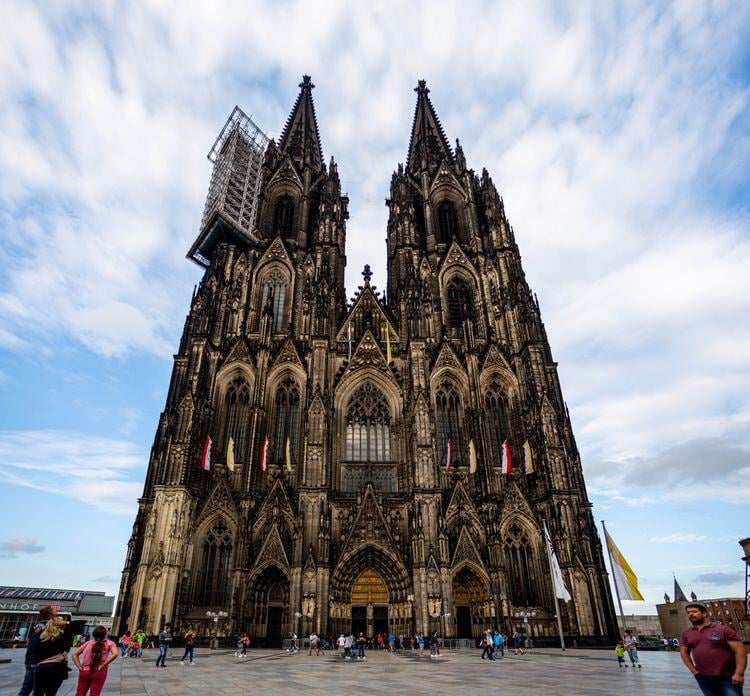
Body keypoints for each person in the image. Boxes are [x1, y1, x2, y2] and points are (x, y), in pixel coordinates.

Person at [680, 602, 746, 696]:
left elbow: (740, 651)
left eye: (694, 611)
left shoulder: (723, 630)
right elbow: (684, 652)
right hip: (703, 677)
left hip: (727, 677)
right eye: (688, 612)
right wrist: (694, 671)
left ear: (704, 613)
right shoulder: (686, 633)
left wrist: (739, 673)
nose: (690, 614)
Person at [31, 616, 78, 696]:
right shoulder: (63, 635)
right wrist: (67, 622)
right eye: (61, 621)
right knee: (51, 693)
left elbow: (34, 651)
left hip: (40, 667)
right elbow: (78, 624)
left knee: (37, 693)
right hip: (56, 666)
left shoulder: (42, 636)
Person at [19, 606, 58, 696]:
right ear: (51, 615)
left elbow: (28, 641)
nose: (56, 613)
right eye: (55, 612)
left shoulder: (36, 625)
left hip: (29, 659)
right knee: (38, 689)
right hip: (40, 660)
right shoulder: (49, 626)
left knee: (27, 686)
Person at [71, 625, 118, 696]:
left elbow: (74, 655)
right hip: (99, 671)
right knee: (95, 694)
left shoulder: (88, 643)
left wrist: (79, 667)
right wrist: (103, 664)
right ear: (105, 634)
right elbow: (115, 654)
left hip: (84, 671)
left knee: (80, 693)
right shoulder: (109, 643)